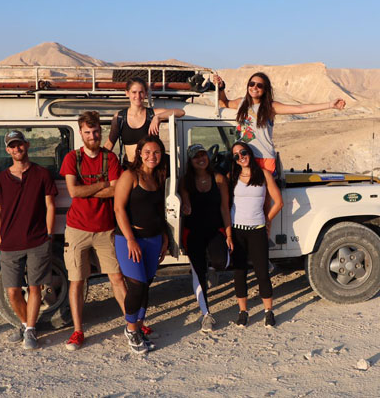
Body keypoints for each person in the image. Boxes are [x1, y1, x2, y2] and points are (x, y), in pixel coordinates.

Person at [59, 111, 128, 351]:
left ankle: (132, 323)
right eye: (87, 132)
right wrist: (101, 185)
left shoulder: (110, 158)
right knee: (77, 280)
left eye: (96, 131)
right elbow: (73, 192)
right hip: (77, 228)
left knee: (117, 277)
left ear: (101, 131)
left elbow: (116, 190)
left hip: (105, 227)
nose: (92, 136)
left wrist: (87, 188)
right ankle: (78, 331)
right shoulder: (72, 158)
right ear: (80, 133)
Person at [0, 130, 57, 350]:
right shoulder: (1, 179)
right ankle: (25, 323)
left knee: (35, 288)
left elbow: (50, 205)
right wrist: (0, 239)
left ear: (27, 145)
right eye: (12, 146)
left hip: (37, 241)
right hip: (10, 244)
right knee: (12, 291)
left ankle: (30, 330)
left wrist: (48, 234)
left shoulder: (42, 174)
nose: (17, 148)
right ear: (7, 150)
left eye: (20, 144)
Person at [215, 72, 346, 174]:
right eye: (252, 83)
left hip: (263, 158)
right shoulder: (241, 102)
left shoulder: (270, 107)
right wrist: (220, 87)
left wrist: (330, 105)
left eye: (259, 85)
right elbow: (224, 103)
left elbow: (300, 109)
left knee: (264, 197)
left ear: (265, 89)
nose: (254, 87)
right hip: (243, 158)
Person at [113, 136, 169, 354]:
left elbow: (159, 212)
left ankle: (139, 323)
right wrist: (130, 239)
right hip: (130, 240)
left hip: (153, 239)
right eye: (147, 152)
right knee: (136, 285)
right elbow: (119, 209)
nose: (151, 156)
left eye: (156, 152)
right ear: (139, 153)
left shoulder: (158, 178)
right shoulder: (130, 176)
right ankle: (131, 328)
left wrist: (164, 237)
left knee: (146, 284)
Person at [228, 141, 283, 327]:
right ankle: (243, 312)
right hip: (237, 231)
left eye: (243, 152)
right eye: (236, 155)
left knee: (262, 273)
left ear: (249, 153)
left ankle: (268, 311)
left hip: (257, 230)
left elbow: (278, 202)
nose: (240, 157)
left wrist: (267, 220)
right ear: (234, 160)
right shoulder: (232, 177)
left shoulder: (263, 174)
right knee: (239, 272)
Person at [179, 144, 232, 332]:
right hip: (193, 232)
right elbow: (185, 203)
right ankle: (206, 314)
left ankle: (212, 269)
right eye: (196, 157)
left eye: (203, 155)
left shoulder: (218, 179)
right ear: (190, 161)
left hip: (214, 230)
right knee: (197, 272)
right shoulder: (186, 181)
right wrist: (185, 207)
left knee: (222, 262)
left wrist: (228, 233)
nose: (200, 159)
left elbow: (225, 208)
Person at [104, 77, 185, 166]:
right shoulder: (120, 117)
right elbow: (109, 144)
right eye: (134, 92)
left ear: (146, 93)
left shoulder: (152, 114)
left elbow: (180, 112)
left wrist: (158, 117)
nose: (138, 96)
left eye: (141, 92)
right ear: (127, 93)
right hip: (129, 168)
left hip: (150, 169)